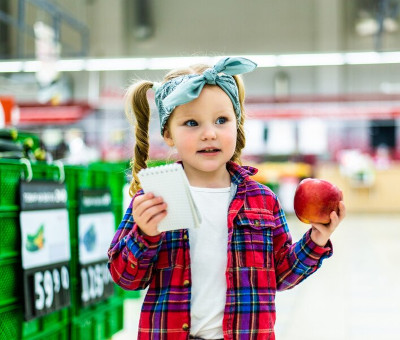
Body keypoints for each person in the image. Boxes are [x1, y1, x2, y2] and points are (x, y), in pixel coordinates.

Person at [107, 57, 346, 340]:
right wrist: (144, 235)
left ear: (237, 124)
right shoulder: (156, 197)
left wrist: (316, 240)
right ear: (168, 134)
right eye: (192, 123)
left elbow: (280, 275)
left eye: (222, 120)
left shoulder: (262, 200)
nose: (209, 133)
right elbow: (126, 278)